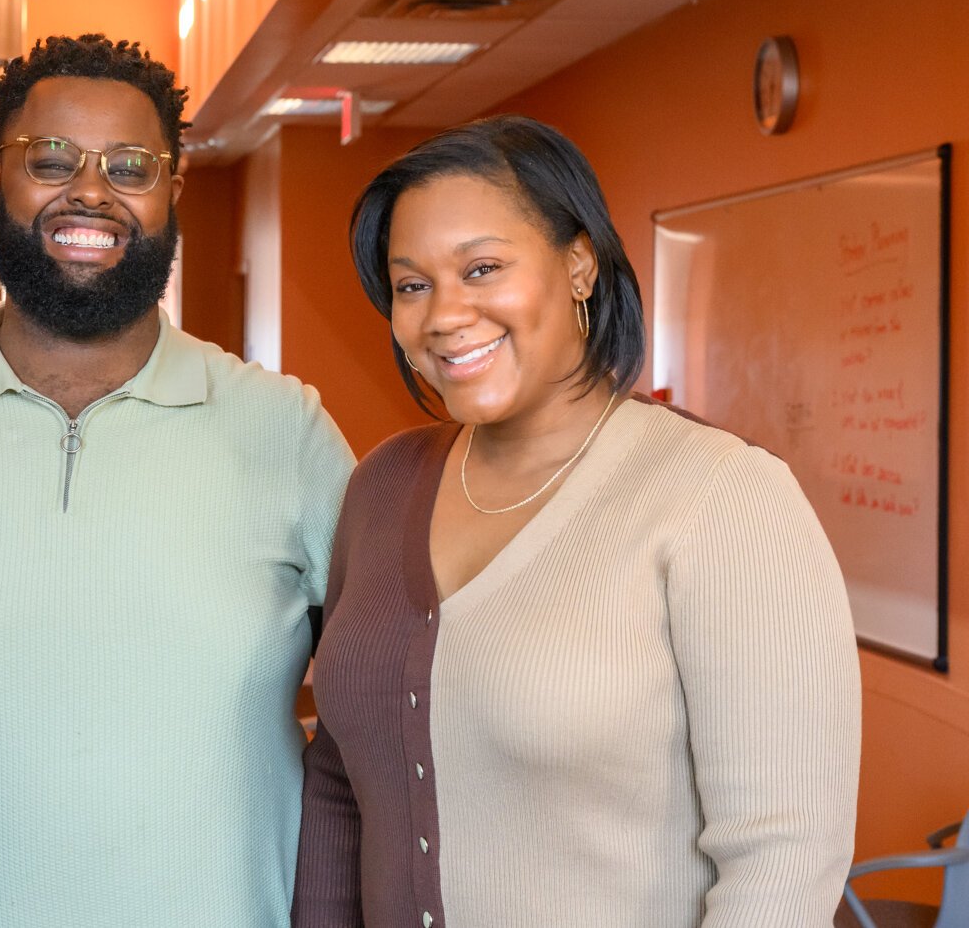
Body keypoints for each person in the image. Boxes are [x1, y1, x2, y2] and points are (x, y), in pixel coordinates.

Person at [0, 33, 355, 926]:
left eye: (130, 166)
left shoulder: (286, 429)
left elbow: (383, 704)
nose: (92, 192)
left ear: (173, 191)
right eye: (52, 158)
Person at [292, 116, 860, 928]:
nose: (444, 314)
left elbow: (785, 860)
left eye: (482, 268)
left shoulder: (723, 496)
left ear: (579, 265)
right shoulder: (382, 486)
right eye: (411, 285)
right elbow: (342, 784)